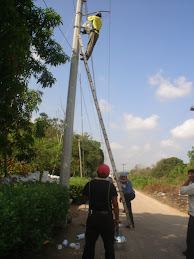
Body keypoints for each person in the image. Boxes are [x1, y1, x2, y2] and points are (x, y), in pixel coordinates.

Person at [82, 164, 119, 259]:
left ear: (97, 172)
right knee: (109, 246)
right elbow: (115, 205)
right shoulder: (111, 186)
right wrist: (117, 219)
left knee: (89, 245)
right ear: (107, 174)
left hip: (93, 217)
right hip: (106, 219)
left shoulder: (89, 184)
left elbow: (83, 199)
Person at [180, 169, 194, 258]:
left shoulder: (192, 186)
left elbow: (182, 191)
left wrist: (189, 180)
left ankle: (190, 253)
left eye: (190, 175)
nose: (189, 176)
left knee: (191, 237)